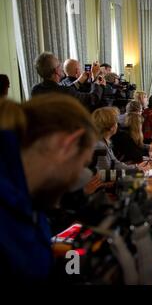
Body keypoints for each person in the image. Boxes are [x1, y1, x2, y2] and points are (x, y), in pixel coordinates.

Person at [0, 94, 98, 283]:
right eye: (83, 162)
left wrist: (72, 267)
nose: (78, 177)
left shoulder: (29, 203)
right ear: (68, 144)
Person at [31, 52, 105, 110]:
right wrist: (97, 83)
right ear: (56, 71)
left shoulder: (36, 89)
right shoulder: (64, 92)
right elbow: (93, 98)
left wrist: (80, 79)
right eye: (59, 65)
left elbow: (66, 89)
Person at [92, 107, 151, 171]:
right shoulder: (100, 146)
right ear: (111, 127)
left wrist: (136, 168)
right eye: (116, 122)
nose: (118, 124)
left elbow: (116, 164)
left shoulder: (106, 141)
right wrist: (136, 171)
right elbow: (104, 174)